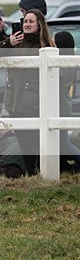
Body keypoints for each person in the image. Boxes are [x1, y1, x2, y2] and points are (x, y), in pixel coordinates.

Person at [0, 8, 54, 175]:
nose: (27, 24)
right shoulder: (16, 41)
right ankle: (31, 173)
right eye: (25, 21)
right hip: (15, 101)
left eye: (31, 21)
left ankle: (37, 173)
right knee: (24, 141)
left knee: (35, 141)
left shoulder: (45, 45)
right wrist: (7, 40)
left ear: (39, 25)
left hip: (34, 101)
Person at [53, 30, 80, 171]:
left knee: (63, 143)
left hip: (62, 107)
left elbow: (56, 77)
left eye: (54, 42)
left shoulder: (67, 64)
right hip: (61, 106)